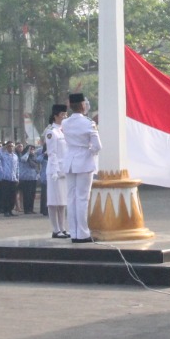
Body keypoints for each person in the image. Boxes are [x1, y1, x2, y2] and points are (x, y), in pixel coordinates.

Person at [62, 92, 100, 243]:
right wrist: (89, 151)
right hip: (84, 160)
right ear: (83, 105)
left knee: (71, 198)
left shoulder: (65, 123)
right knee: (83, 198)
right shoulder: (88, 123)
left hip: (70, 160)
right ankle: (83, 233)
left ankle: (74, 232)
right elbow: (98, 146)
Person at [43, 104, 69, 238]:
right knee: (54, 201)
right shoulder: (51, 132)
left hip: (65, 169)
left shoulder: (64, 130)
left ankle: (63, 228)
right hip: (55, 170)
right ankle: (55, 229)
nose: (64, 117)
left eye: (65, 114)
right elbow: (51, 153)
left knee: (63, 201)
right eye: (62, 115)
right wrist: (55, 170)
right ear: (55, 116)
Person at [16, 143, 41, 214]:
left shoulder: (34, 157)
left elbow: (37, 164)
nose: (32, 151)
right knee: (27, 194)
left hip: (33, 178)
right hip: (26, 178)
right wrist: (27, 152)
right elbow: (23, 159)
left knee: (32, 195)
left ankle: (31, 209)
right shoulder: (24, 156)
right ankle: (27, 209)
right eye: (30, 149)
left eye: (33, 149)